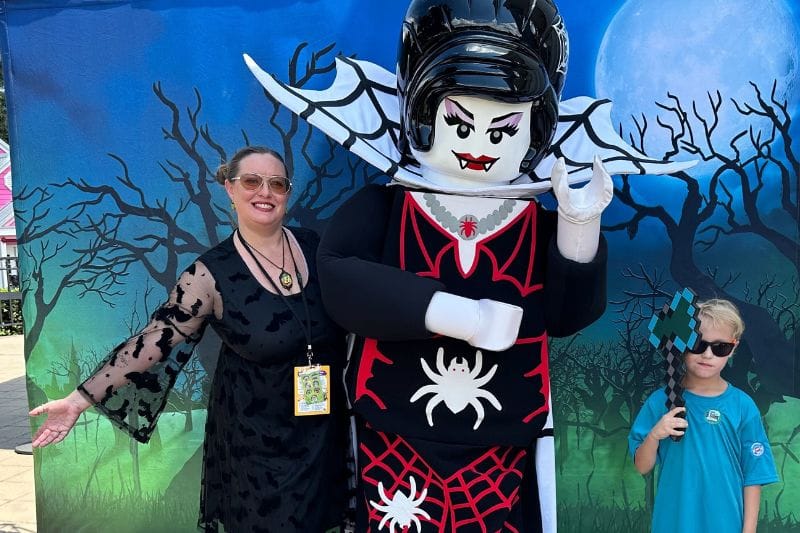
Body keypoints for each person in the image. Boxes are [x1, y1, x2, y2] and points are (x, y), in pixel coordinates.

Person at [29, 146, 350, 532]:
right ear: (230, 188)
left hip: (321, 433)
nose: (265, 192)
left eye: (277, 184)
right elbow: (153, 341)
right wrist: (79, 400)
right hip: (258, 448)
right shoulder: (208, 276)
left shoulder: (313, 246)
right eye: (252, 181)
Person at [628, 298, 779, 533]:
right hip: (673, 523)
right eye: (698, 344)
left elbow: (753, 475)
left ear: (733, 349)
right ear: (681, 344)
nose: (708, 354)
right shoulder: (660, 402)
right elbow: (642, 466)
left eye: (720, 347)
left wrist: (749, 531)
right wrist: (655, 435)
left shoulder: (743, 406)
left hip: (726, 524)